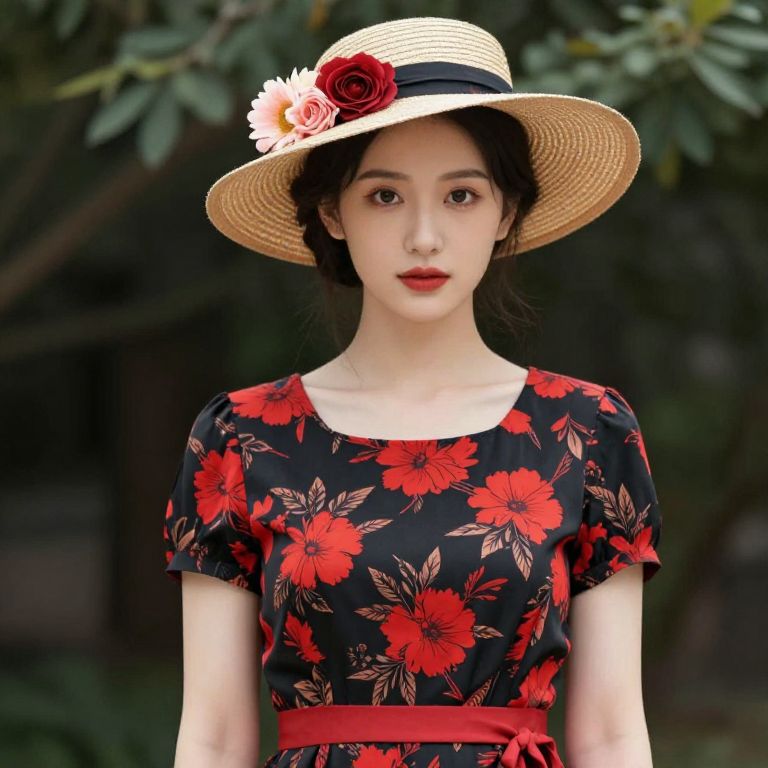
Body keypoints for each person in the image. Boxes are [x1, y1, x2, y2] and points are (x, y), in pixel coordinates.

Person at [163, 16, 663, 768]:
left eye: (461, 196)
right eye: (385, 197)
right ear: (333, 213)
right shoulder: (242, 437)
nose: (424, 236)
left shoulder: (587, 431)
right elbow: (213, 736)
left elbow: (613, 732)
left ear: (507, 213)